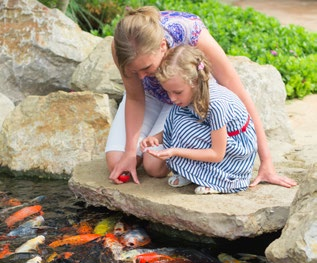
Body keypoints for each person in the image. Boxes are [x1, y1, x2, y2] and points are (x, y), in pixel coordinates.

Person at [105, 6, 297, 188]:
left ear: (163, 46)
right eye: (134, 70)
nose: (140, 76)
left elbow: (236, 90)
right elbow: (135, 97)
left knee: (153, 166)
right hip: (151, 96)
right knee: (117, 163)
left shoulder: (190, 32)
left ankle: (187, 165)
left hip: (186, 97)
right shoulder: (123, 47)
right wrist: (131, 151)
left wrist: (267, 161)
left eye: (146, 68)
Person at [140, 45, 257, 194]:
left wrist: (175, 151)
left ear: (194, 82)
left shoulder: (215, 104)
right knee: (177, 118)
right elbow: (175, 125)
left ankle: (219, 181)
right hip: (214, 138)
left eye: (177, 92)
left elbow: (217, 154)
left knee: (186, 129)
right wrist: (155, 138)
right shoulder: (189, 96)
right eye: (167, 92)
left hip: (234, 153)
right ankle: (194, 174)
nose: (172, 98)